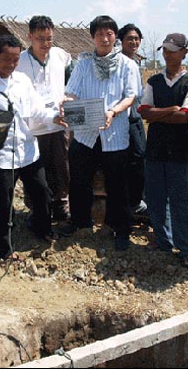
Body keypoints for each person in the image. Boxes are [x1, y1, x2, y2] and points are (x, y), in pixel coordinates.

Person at [0, 34, 67, 262]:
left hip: (27, 150)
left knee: (41, 192)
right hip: (0, 155)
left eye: (15, 60)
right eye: (7, 59)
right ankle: (4, 248)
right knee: (3, 202)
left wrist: (54, 117)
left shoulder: (22, 80)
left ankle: (42, 229)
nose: (12, 65)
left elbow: (36, 110)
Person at [60, 15, 141, 251]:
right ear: (92, 37)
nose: (104, 38)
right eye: (99, 34)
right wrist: (64, 102)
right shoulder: (83, 64)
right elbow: (72, 92)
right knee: (79, 179)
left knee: (117, 183)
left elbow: (131, 96)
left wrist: (114, 111)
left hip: (114, 133)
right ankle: (79, 222)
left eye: (109, 34)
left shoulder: (128, 65)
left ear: (115, 36)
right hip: (86, 133)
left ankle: (120, 228)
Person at [138, 33, 188, 268]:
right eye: (165, 50)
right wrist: (170, 110)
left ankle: (186, 248)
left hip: (179, 150)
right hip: (154, 149)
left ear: (184, 52)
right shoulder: (154, 81)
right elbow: (143, 112)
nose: (167, 54)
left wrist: (158, 113)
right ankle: (163, 240)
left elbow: (185, 116)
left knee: (180, 201)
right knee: (155, 199)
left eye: (173, 50)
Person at [16, 15, 73, 222]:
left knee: (61, 168)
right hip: (32, 127)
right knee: (33, 171)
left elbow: (72, 78)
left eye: (49, 38)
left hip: (58, 125)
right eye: (40, 39)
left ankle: (61, 206)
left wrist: (69, 96)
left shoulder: (60, 55)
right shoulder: (19, 61)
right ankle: (36, 209)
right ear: (29, 36)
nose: (46, 44)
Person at [117, 23, 147, 219]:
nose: (134, 42)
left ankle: (136, 200)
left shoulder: (136, 63)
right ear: (121, 41)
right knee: (125, 160)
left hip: (136, 117)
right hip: (121, 118)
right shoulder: (117, 63)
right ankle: (129, 202)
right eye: (130, 38)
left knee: (139, 158)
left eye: (136, 38)